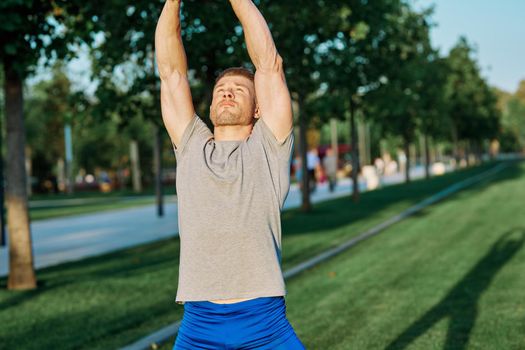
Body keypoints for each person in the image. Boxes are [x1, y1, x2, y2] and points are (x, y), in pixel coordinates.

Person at [155, 1, 305, 349]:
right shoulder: (191, 146)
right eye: (222, 89)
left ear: (257, 108)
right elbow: (171, 72)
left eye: (239, 89)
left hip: (265, 324)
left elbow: (269, 65)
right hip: (199, 326)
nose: (226, 91)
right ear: (208, 106)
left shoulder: (269, 147)